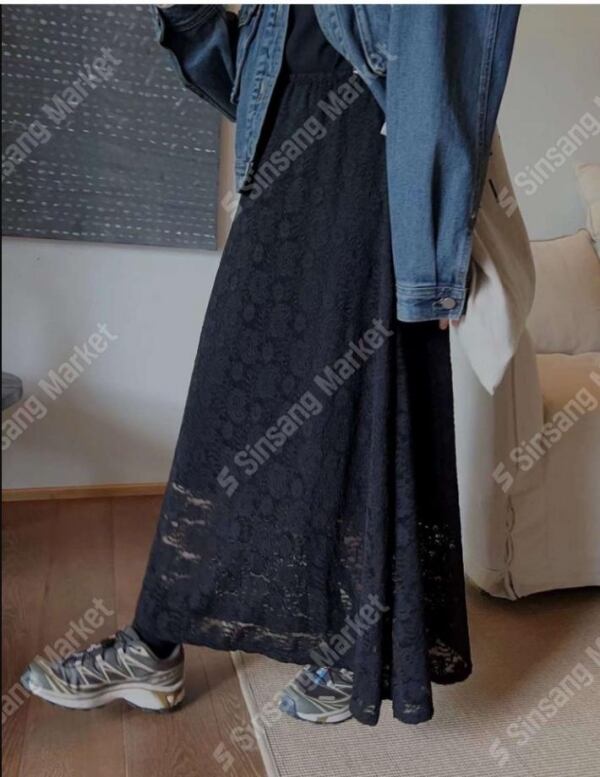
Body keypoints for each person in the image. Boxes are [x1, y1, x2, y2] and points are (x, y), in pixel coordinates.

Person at [21, 4, 528, 726]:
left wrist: (433, 254)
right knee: (233, 408)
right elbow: (250, 78)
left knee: (359, 414)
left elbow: (443, 58)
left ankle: (325, 648)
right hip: (287, 151)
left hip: (373, 161)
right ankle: (157, 640)